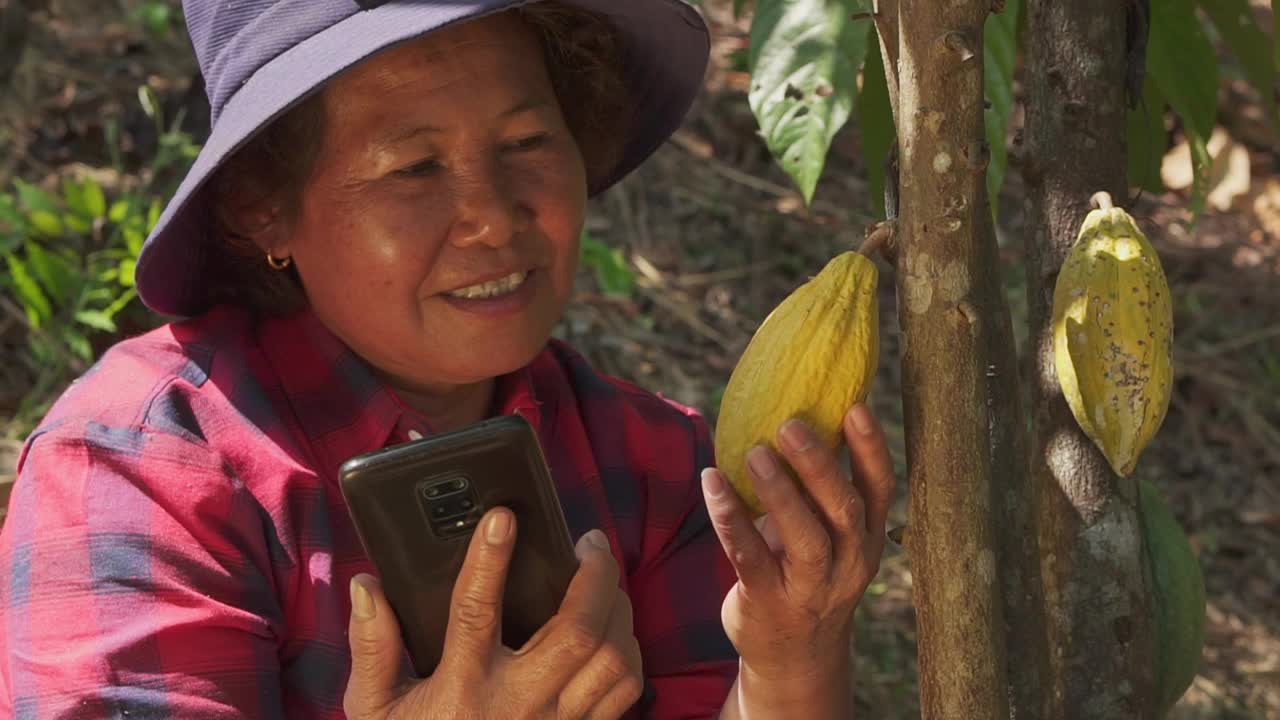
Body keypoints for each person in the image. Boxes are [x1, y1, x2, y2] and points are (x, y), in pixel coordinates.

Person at [0, 1, 896, 718]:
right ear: (262, 206)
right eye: (414, 169)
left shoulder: (659, 467)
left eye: (526, 144)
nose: (494, 219)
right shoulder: (139, 468)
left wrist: (790, 653)